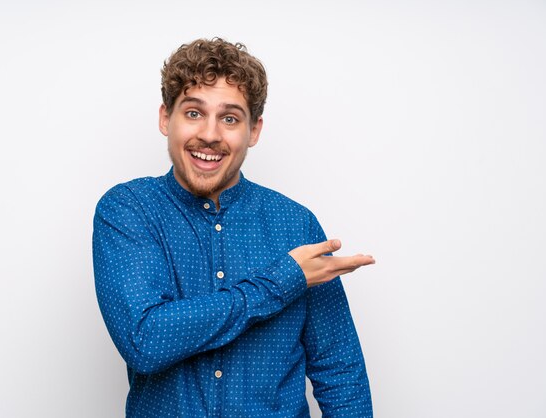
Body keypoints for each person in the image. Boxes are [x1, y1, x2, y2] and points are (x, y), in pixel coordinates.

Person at [93, 37, 375, 417]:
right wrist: (282, 281)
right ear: (165, 118)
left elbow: (340, 370)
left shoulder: (297, 224)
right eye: (194, 113)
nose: (210, 134)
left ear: (254, 131)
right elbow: (147, 341)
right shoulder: (129, 210)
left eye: (230, 118)